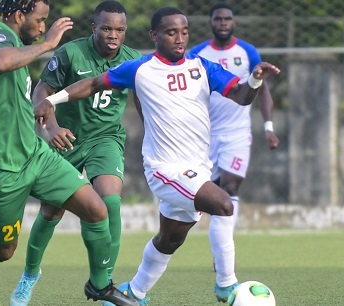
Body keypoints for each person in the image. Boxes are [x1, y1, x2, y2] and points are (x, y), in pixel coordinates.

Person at [33, 6, 280, 305]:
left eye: (184, 32)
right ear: (155, 35)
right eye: (171, 32)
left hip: (197, 169)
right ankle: (227, 286)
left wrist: (254, 79)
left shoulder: (202, 67)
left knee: (170, 240)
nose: (179, 38)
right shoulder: (140, 68)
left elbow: (241, 96)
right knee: (225, 204)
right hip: (165, 170)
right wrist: (51, 100)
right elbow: (93, 84)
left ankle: (131, 293)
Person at [0, 1, 138, 305]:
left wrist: (27, 114)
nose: (42, 29)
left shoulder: (17, 46)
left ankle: (101, 287)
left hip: (36, 155)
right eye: (40, 21)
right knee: (2, 249)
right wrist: (50, 43)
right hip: (1, 167)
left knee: (98, 209)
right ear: (18, 16)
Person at [9, 1, 142, 306]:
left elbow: (145, 101)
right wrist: (52, 128)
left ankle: (104, 285)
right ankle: (29, 275)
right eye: (106, 28)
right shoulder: (71, 53)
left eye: (119, 30)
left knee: (110, 202)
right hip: (67, 140)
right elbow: (41, 93)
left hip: (105, 139)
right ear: (94, 27)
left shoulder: (134, 59)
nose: (113, 35)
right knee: (50, 212)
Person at [189, 2, 279, 271]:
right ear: (211, 23)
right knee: (212, 195)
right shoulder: (198, 54)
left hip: (238, 134)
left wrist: (269, 127)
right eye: (218, 19)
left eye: (228, 19)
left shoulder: (247, 52)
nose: (224, 23)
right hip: (206, 136)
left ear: (234, 22)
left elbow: (260, 89)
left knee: (230, 187)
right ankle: (220, 250)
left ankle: (223, 258)